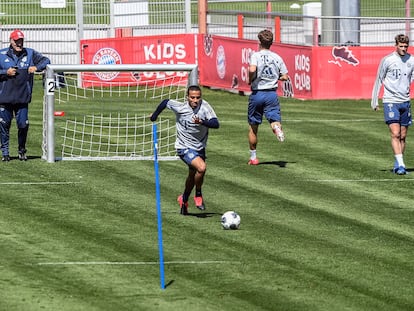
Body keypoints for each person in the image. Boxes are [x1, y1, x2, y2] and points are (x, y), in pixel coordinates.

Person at [150, 85, 219, 215]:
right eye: (192, 97)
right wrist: (154, 115)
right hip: (183, 147)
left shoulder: (205, 107)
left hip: (199, 148)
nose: (195, 100)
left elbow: (216, 123)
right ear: (187, 97)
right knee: (202, 168)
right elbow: (165, 102)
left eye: (198, 97)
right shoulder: (181, 107)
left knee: (192, 175)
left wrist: (202, 122)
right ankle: (198, 194)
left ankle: (184, 200)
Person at [0, 29, 51, 162]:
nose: (19, 43)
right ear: (11, 41)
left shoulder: (30, 53)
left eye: (21, 40)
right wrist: (6, 72)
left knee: (23, 125)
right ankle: (5, 152)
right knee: (4, 125)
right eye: (16, 41)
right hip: (5, 98)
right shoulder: (1, 54)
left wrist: (37, 67)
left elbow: (46, 60)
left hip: (22, 98)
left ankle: (22, 150)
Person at [371, 34, 414, 175]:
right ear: (395, 45)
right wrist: (374, 100)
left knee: (402, 136)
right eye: (401, 46)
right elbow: (379, 79)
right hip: (390, 101)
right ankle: (401, 165)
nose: (403, 49)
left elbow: (411, 77)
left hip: (405, 101)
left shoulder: (411, 60)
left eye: (405, 46)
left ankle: (398, 163)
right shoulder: (387, 60)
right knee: (395, 133)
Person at [247, 29, 289, 165]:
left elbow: (252, 69)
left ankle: (253, 158)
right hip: (271, 94)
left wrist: (250, 79)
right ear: (271, 43)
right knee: (274, 120)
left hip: (257, 93)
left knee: (253, 127)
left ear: (259, 42)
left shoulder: (256, 56)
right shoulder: (277, 57)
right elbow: (285, 76)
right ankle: (276, 128)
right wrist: (277, 77)